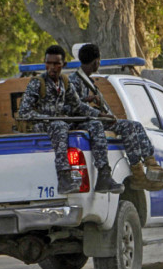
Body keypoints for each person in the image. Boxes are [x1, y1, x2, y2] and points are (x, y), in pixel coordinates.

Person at [68, 43, 163, 191]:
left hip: (92, 119)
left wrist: (104, 111)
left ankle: (148, 166)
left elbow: (92, 105)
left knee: (134, 126)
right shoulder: (74, 81)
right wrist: (99, 113)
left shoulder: (88, 81)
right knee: (112, 125)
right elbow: (75, 107)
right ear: (96, 62)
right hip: (80, 122)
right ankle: (134, 175)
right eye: (99, 61)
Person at [18, 45, 123, 195]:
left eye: (56, 64)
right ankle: (64, 178)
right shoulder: (37, 83)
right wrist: (49, 119)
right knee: (59, 125)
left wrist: (99, 115)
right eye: (49, 63)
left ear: (63, 65)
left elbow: (78, 106)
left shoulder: (64, 83)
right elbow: (24, 112)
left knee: (94, 124)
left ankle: (104, 175)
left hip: (60, 123)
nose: (52, 67)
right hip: (40, 125)